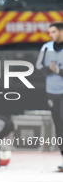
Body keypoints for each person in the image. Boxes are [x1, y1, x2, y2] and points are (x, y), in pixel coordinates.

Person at [36, 22, 63, 169]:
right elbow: (38, 65)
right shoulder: (46, 47)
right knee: (58, 125)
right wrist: (50, 69)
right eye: (50, 32)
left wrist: (58, 71)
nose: (50, 35)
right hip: (52, 92)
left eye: (53, 32)